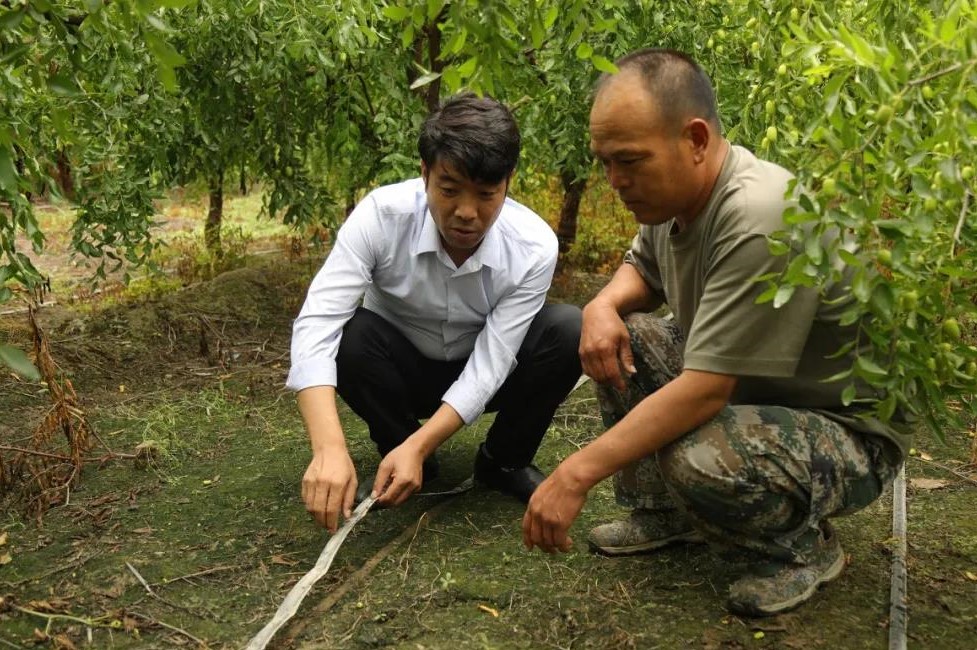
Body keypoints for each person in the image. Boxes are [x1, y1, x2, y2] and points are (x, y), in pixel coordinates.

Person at [521, 49, 910, 617]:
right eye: (604, 161)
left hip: (845, 433)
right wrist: (601, 305)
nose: (614, 181)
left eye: (629, 160)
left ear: (696, 140)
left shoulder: (759, 214)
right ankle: (666, 514)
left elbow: (706, 389)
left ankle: (800, 551)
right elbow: (642, 271)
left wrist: (573, 474)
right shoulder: (674, 200)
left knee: (698, 454)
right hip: (759, 393)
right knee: (620, 331)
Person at [287, 93, 582, 534]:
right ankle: (398, 447)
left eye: (487, 195)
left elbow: (492, 362)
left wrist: (423, 444)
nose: (467, 213)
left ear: (508, 183)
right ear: (424, 173)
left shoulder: (533, 246)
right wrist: (329, 446)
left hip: (483, 372)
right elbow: (318, 323)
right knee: (351, 334)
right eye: (449, 190)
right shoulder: (380, 217)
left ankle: (502, 461)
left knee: (568, 328)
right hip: (400, 370)